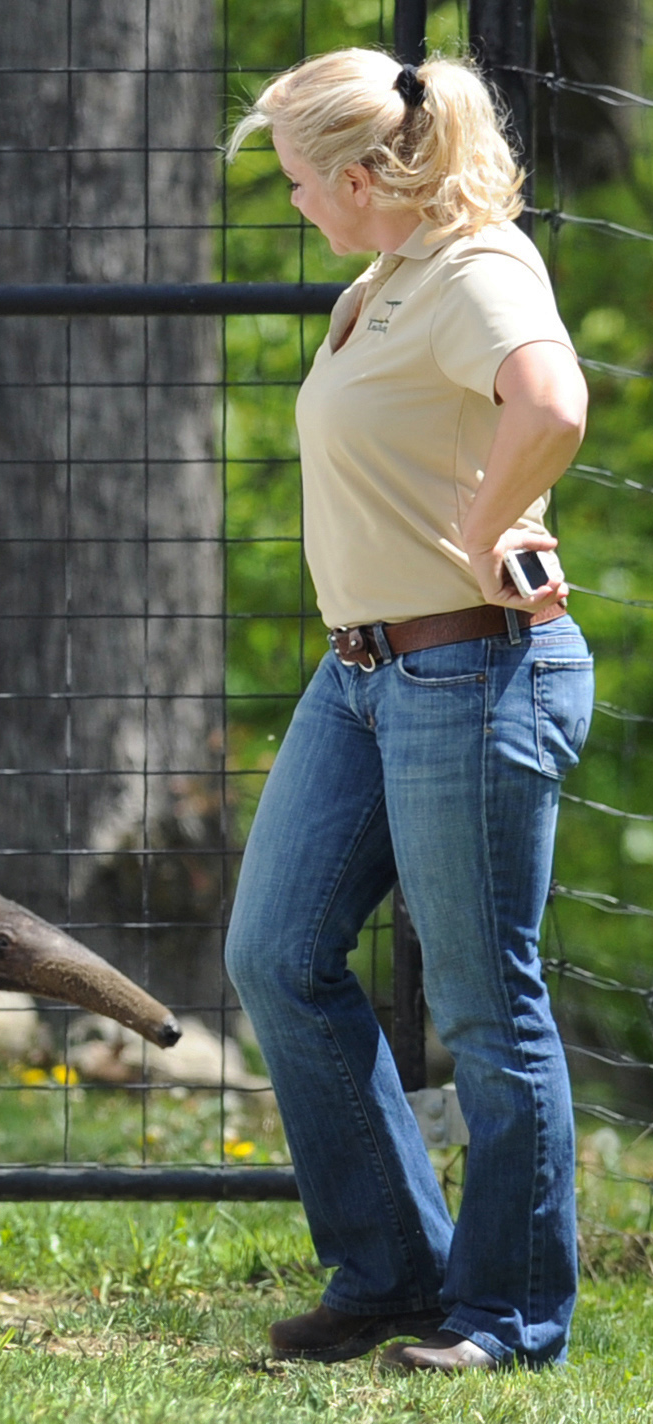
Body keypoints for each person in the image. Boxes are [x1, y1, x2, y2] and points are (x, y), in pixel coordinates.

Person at [221, 49, 593, 1372]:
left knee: (489, 1011)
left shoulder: (476, 271)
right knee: (277, 953)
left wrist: (491, 523)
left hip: (476, 670)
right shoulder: (379, 284)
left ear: (367, 176)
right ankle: (390, 1275)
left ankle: (505, 1318)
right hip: (363, 674)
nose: (297, 205)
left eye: (301, 184)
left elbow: (552, 402)